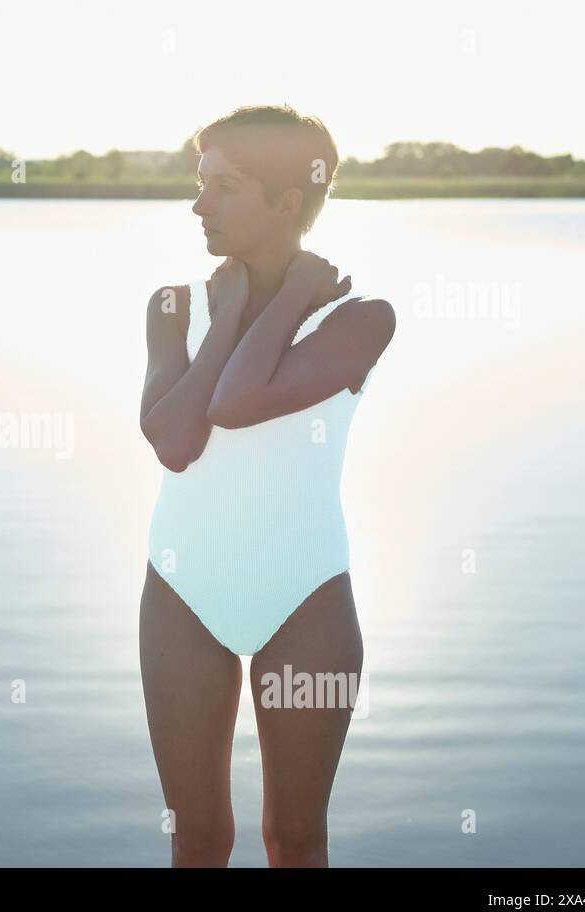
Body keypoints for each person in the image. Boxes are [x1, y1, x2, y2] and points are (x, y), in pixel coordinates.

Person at [138, 105, 396, 867]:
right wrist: (235, 315)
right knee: (200, 839)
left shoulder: (361, 319)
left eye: (225, 185)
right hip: (182, 595)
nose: (198, 203)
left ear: (289, 201)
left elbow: (237, 405)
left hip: (305, 597)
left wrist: (284, 303)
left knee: (295, 838)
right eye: (200, 182)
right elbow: (177, 441)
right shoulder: (173, 306)